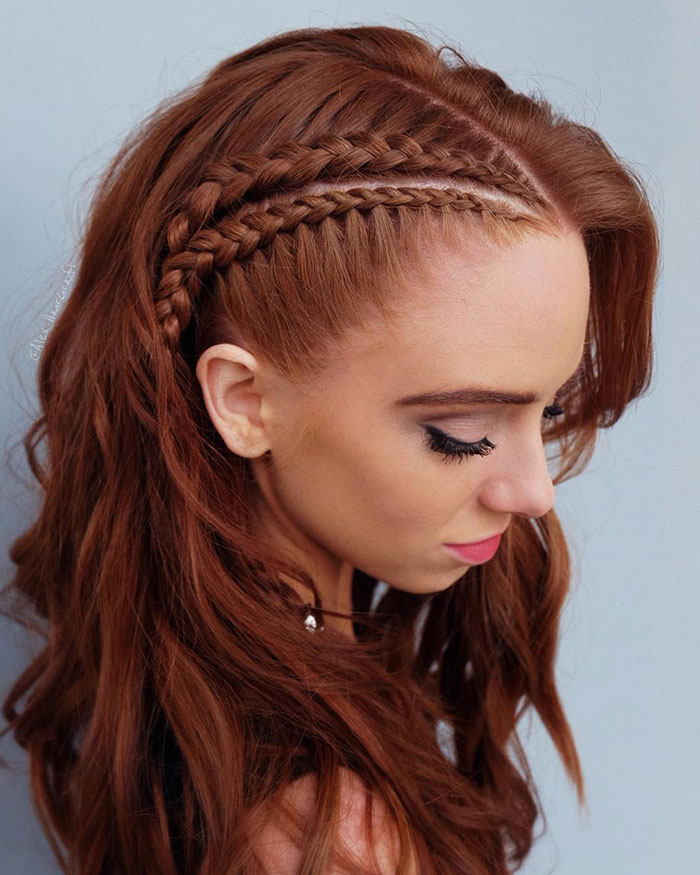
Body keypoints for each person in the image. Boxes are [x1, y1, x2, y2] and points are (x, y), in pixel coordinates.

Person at [0, 23, 659, 875]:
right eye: (461, 433)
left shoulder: (251, 705)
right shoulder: (323, 839)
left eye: (552, 407)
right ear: (244, 402)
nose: (534, 490)